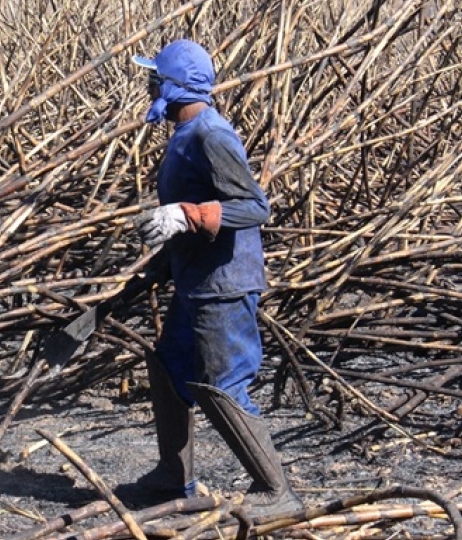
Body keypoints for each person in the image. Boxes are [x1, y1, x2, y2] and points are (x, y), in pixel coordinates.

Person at [128, 39, 303, 519]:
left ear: (174, 86)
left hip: (225, 284)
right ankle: (173, 478)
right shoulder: (184, 134)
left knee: (224, 383)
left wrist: (188, 214)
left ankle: (277, 492)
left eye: (155, 78)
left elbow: (255, 207)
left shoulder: (211, 134)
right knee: (169, 367)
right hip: (197, 279)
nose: (149, 86)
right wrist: (165, 260)